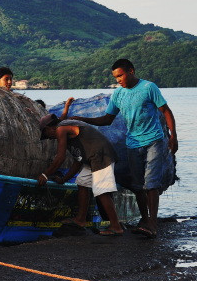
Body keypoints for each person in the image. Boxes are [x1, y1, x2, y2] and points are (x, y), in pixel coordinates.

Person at [66, 58, 178, 238]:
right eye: (116, 77)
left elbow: (166, 111)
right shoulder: (118, 94)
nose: (118, 80)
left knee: (151, 183)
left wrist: (173, 137)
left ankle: (152, 223)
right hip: (132, 143)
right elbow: (107, 119)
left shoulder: (149, 88)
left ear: (131, 71)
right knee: (137, 185)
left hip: (154, 140)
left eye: (121, 75)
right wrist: (84, 120)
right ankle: (144, 219)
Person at [37, 107, 124, 236]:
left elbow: (60, 157)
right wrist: (64, 179)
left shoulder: (61, 128)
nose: (50, 138)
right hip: (91, 158)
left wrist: (45, 174)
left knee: (101, 190)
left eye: (47, 134)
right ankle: (80, 220)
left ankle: (116, 226)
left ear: (50, 128)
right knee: (82, 182)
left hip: (101, 155)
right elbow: (78, 161)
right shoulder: (69, 135)